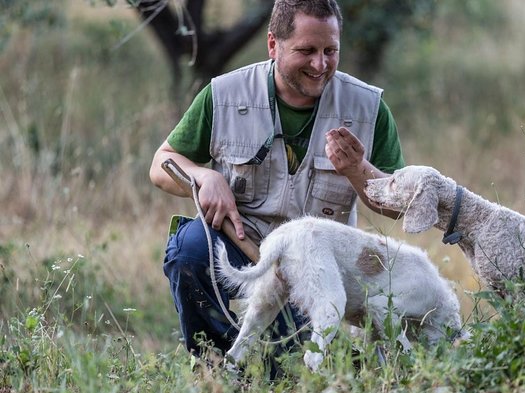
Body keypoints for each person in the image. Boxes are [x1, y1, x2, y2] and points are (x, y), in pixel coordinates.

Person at [149, 0, 405, 360]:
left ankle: (271, 360)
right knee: (187, 251)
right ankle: (215, 363)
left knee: (289, 365)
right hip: (244, 244)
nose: (321, 65)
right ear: (273, 44)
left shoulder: (368, 107)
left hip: (317, 264)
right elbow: (162, 164)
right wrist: (203, 175)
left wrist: (357, 170)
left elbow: (396, 207)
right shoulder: (224, 94)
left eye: (331, 51)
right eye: (307, 51)